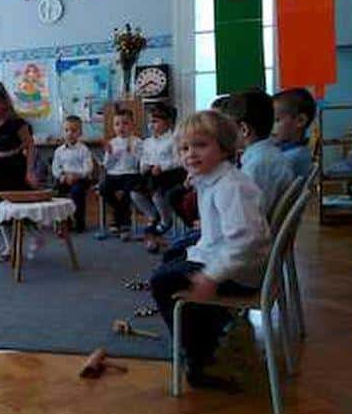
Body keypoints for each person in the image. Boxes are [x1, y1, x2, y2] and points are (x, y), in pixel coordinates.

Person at [151, 110, 270, 390]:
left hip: (239, 272)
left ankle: (199, 359)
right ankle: (210, 324)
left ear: (225, 149)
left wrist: (211, 276)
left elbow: (245, 240)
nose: (190, 154)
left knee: (162, 281)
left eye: (201, 145)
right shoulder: (217, 177)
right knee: (173, 254)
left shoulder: (230, 187)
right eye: (184, 148)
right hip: (229, 258)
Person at [0, 81, 37, 262]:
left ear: (4, 102)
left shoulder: (17, 124)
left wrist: (29, 171)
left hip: (15, 167)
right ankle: (9, 247)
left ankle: (34, 236)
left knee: (21, 208)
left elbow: (30, 147)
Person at [221, 90, 294, 218]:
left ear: (244, 129)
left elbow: (247, 213)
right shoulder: (268, 155)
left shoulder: (258, 164)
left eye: (227, 130)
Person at [131, 102, 186, 248]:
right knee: (135, 193)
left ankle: (165, 220)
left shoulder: (174, 140)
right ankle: (153, 216)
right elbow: (144, 158)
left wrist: (163, 167)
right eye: (150, 122)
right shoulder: (148, 142)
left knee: (156, 193)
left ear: (168, 122)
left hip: (170, 174)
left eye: (155, 121)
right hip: (152, 174)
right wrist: (143, 166)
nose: (151, 125)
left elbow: (180, 160)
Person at [99, 106, 142, 239]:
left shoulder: (137, 142)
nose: (121, 127)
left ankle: (124, 223)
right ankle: (119, 215)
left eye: (125, 123)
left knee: (128, 192)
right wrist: (110, 154)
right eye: (117, 124)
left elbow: (139, 163)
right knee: (103, 188)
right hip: (113, 174)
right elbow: (107, 165)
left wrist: (132, 152)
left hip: (131, 173)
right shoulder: (112, 143)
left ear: (132, 125)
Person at [51, 115, 94, 233]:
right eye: (66, 130)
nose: (70, 133)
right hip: (64, 178)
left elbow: (88, 168)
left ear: (80, 133)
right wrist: (62, 176)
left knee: (77, 192)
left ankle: (79, 222)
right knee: (56, 192)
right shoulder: (59, 151)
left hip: (80, 178)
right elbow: (55, 168)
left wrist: (76, 176)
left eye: (74, 130)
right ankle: (64, 221)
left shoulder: (84, 150)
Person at [273, 87, 315, 179]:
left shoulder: (291, 159)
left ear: (300, 120)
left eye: (276, 120)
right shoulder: (292, 151)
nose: (270, 126)